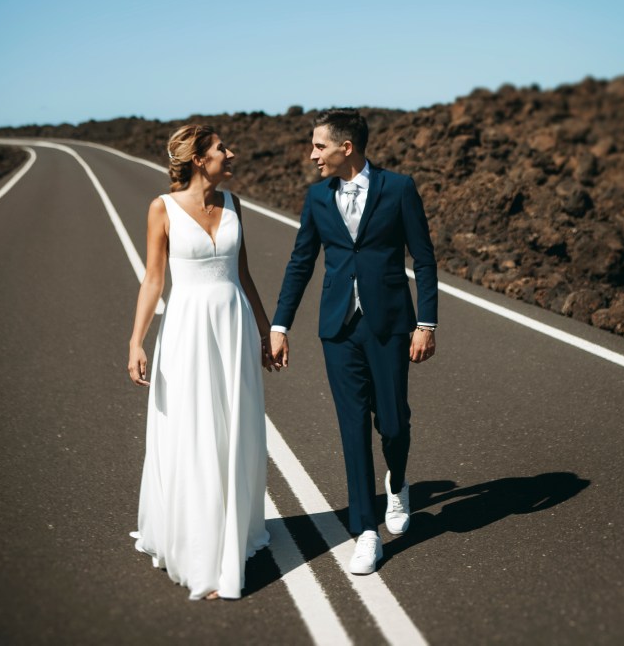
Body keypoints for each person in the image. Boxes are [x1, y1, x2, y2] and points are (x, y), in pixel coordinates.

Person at [270, 108, 438, 575]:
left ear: (347, 148)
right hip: (337, 330)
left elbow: (423, 259)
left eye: (319, 146)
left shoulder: (399, 189)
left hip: (389, 326)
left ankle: (399, 482)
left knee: (394, 423)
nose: (312, 155)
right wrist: (280, 325)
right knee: (351, 429)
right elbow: (300, 262)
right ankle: (366, 531)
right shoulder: (317, 197)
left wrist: (427, 324)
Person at [127, 124, 278, 600]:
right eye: (221, 149)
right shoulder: (162, 208)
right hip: (188, 332)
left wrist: (265, 329)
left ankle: (233, 532)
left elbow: (244, 274)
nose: (230, 154)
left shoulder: (235, 205)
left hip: (232, 329)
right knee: (195, 433)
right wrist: (136, 341)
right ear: (198, 158)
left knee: (233, 431)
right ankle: (202, 557)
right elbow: (153, 281)